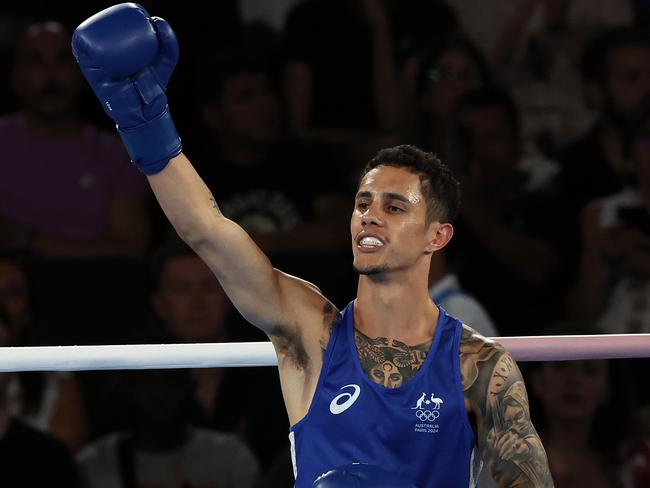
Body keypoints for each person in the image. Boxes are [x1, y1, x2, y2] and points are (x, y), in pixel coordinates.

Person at [71, 4, 553, 487]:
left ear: (438, 236)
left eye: (394, 206)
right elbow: (208, 231)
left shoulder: (479, 364)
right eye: (363, 202)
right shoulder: (311, 332)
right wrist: (146, 125)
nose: (370, 215)